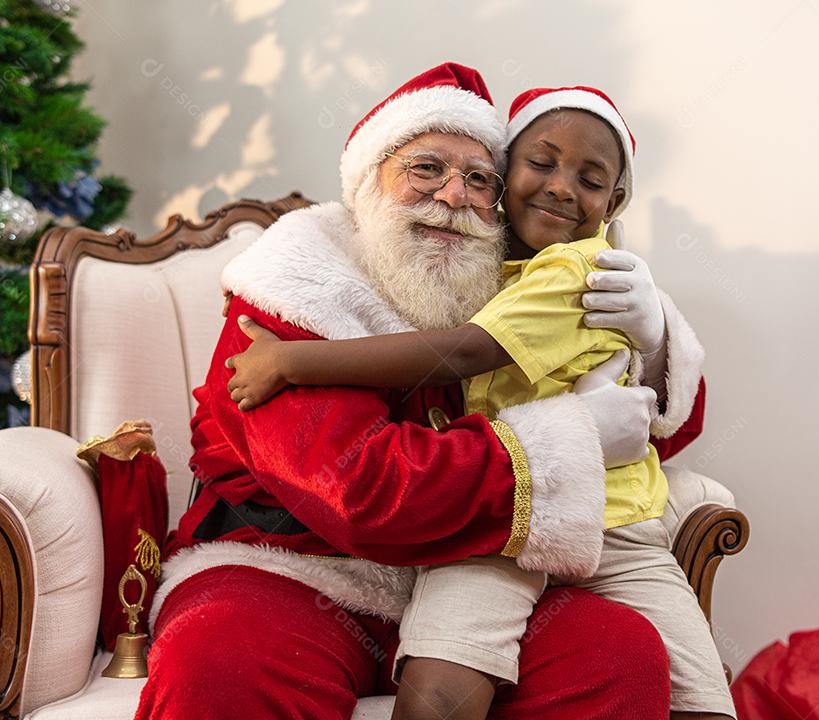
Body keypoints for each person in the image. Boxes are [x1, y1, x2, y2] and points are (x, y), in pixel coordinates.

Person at [134, 63, 704, 720]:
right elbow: (359, 494)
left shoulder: (517, 276)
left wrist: (652, 340)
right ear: (367, 183)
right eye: (426, 169)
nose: (454, 196)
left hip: (477, 573)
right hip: (291, 569)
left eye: (479, 178)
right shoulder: (290, 292)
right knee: (222, 663)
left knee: (615, 653)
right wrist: (570, 438)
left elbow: (666, 432)